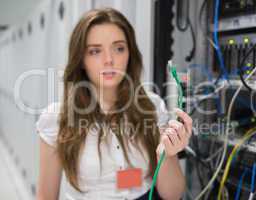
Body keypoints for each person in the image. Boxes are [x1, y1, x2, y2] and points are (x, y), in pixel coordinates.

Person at [36, 8, 192, 200]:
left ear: (130, 53)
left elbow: (173, 194)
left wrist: (166, 154)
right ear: (81, 60)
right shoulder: (56, 118)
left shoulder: (151, 105)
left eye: (119, 48)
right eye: (95, 51)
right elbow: (45, 196)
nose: (109, 60)